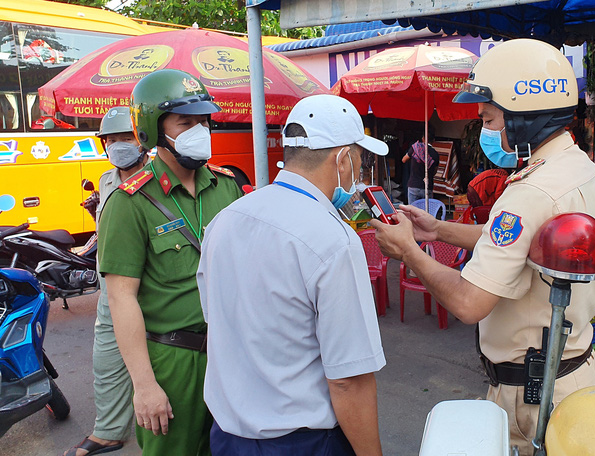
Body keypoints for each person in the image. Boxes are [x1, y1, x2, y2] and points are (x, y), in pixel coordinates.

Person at [371, 38, 595, 455]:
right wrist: (438, 231)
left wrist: (408, 251)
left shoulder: (530, 191)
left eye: (490, 118)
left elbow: (468, 302)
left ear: (524, 115)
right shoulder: (577, 168)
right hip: (575, 374)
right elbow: (521, 242)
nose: (485, 130)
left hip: (535, 396)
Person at [197, 94, 388, 456]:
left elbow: (216, 318)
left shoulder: (226, 219)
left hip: (227, 437)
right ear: (343, 158)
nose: (360, 172)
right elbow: (349, 379)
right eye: (360, 159)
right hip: (303, 443)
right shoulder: (334, 239)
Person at [97, 69, 241, 456]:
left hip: (231, 354)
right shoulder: (129, 203)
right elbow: (121, 298)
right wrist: (144, 385)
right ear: (153, 129)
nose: (200, 130)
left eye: (204, 121)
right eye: (186, 121)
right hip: (172, 361)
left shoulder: (226, 186)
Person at [64, 107, 148, 456]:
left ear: (142, 140)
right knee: (107, 362)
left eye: (125, 138)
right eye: (111, 140)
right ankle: (109, 431)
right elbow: (109, 228)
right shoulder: (107, 180)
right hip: (109, 289)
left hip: (147, 291)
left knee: (155, 367)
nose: (118, 146)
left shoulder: (159, 179)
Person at [402, 126, 440, 204]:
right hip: (427, 187)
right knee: (425, 214)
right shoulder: (435, 154)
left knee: (413, 212)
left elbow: (404, 160)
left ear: (423, 138)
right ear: (433, 141)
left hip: (413, 186)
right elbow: (434, 172)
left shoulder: (415, 148)